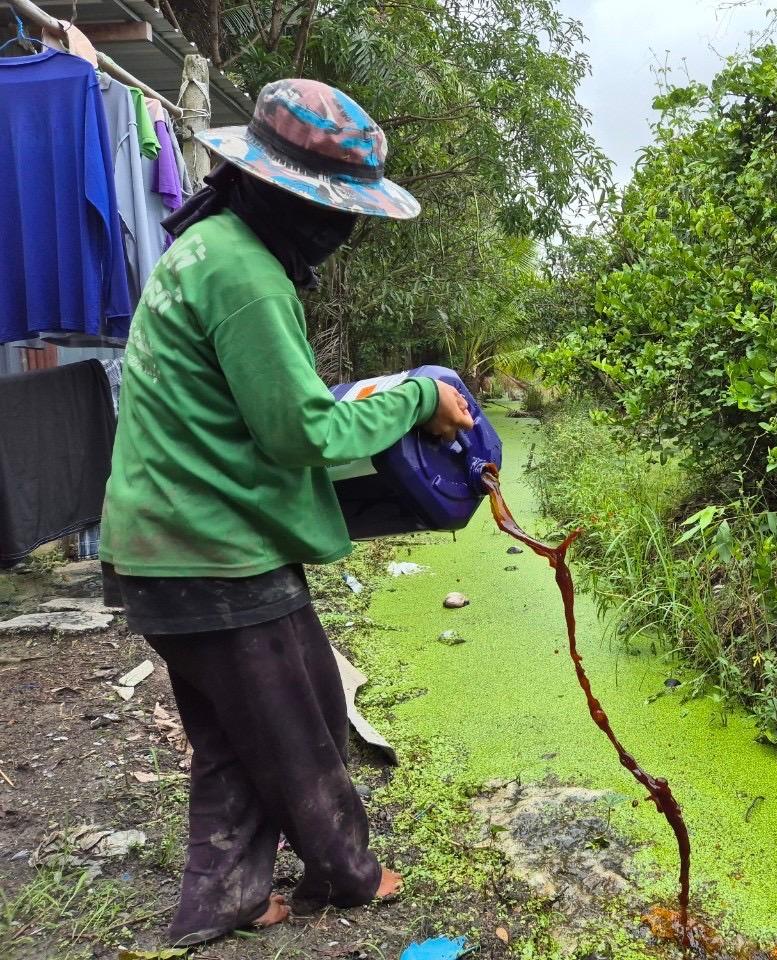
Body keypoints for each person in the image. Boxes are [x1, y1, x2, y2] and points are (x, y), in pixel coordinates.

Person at [98, 78, 474, 947]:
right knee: (303, 724)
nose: (340, 231)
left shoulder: (210, 246)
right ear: (284, 193)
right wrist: (418, 396)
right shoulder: (247, 276)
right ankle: (349, 872)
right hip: (213, 550)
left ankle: (222, 898)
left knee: (237, 734)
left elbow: (256, 410)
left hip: (163, 544)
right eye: (333, 210)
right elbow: (301, 430)